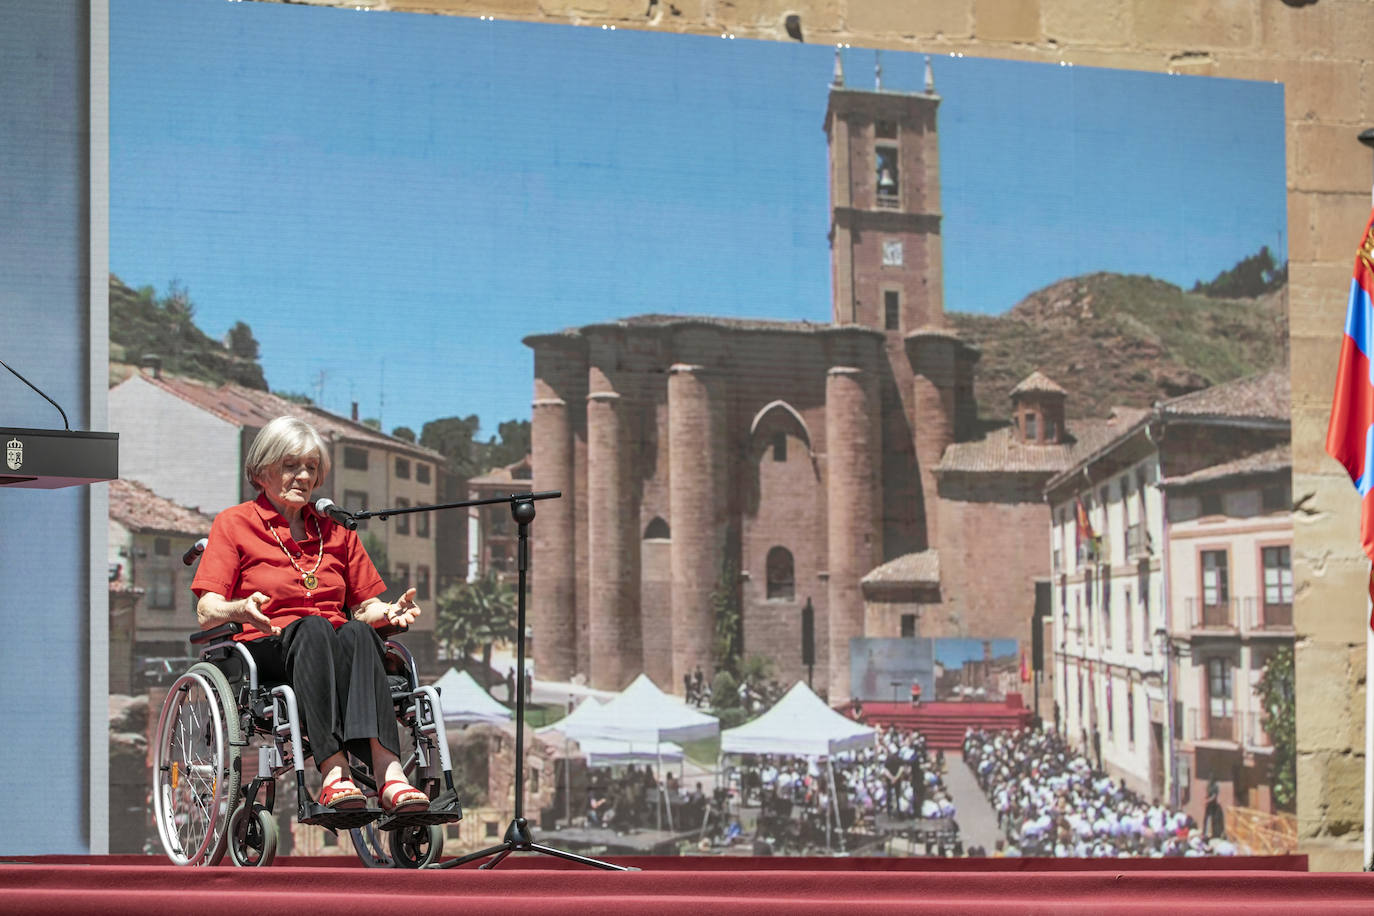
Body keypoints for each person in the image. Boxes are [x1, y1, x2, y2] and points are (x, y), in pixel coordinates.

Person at [191, 416, 427, 814]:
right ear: (261, 471)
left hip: (336, 649)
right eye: (290, 465)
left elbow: (366, 607)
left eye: (311, 467)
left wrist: (389, 611)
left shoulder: (337, 531)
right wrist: (240, 609)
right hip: (270, 650)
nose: (303, 476)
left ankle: (390, 775)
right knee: (316, 628)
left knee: (356, 633)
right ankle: (334, 772)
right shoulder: (234, 523)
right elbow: (206, 610)